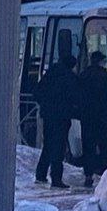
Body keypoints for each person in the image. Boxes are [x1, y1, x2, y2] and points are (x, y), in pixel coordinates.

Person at [34, 54, 79, 189]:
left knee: (48, 145)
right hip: (62, 117)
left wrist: (45, 106)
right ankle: (56, 179)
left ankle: (41, 174)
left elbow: (37, 92)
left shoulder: (50, 74)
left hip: (48, 116)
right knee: (59, 148)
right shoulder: (69, 78)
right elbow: (76, 97)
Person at [78, 51, 107, 187]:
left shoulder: (83, 76)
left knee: (89, 147)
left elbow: (76, 94)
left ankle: (88, 175)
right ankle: (105, 177)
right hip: (104, 117)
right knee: (105, 147)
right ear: (101, 61)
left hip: (88, 118)